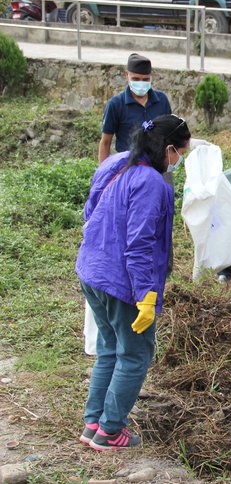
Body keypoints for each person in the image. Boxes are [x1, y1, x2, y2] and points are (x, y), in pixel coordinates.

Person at [76, 114, 190, 450]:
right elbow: (140, 244)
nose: (178, 161)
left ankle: (93, 422)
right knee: (136, 354)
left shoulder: (115, 163)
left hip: (92, 270)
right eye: (180, 152)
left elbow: (90, 211)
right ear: (168, 149)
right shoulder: (151, 182)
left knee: (109, 348)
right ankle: (111, 431)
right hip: (121, 282)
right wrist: (146, 296)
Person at [99, 53, 172, 164]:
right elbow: (105, 142)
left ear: (151, 77)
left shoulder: (161, 101)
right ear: (127, 75)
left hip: (158, 166)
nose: (141, 83)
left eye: (145, 79)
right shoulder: (116, 104)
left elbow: (170, 134)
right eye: (136, 79)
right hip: (128, 166)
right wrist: (104, 174)